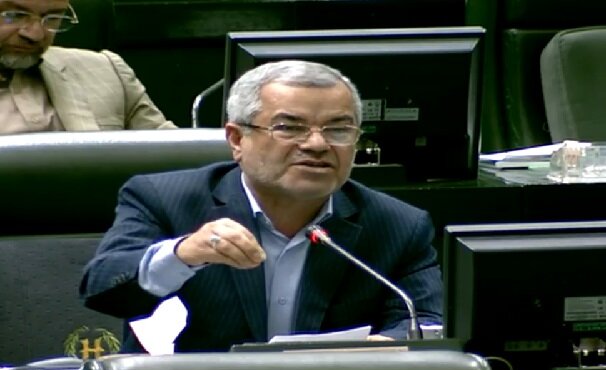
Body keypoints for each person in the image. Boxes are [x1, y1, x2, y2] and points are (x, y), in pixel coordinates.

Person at [80, 59, 443, 352]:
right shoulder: (163, 199)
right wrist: (183, 254)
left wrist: (392, 346)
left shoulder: (399, 224)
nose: (317, 145)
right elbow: (103, 290)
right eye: (289, 127)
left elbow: (427, 322)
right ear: (237, 139)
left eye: (338, 130)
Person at [0, 0, 176, 134]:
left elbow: (176, 154)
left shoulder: (107, 70)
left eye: (53, 18)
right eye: (14, 15)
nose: (36, 34)